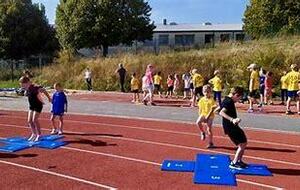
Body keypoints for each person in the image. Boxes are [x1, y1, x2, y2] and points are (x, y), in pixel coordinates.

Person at [218, 86, 248, 169]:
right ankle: (234, 162)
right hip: (230, 126)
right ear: (236, 95)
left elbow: (219, 109)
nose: (238, 100)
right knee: (242, 144)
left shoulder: (227, 100)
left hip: (231, 126)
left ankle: (238, 161)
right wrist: (232, 119)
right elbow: (221, 112)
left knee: (243, 142)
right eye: (239, 98)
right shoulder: (229, 101)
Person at [19, 76, 51, 142]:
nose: (22, 86)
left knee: (34, 120)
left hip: (38, 105)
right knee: (29, 120)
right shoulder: (26, 89)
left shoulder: (34, 88)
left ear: (27, 83)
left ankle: (39, 135)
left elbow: (44, 90)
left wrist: (49, 98)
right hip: (31, 106)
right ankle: (34, 134)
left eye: (22, 84)